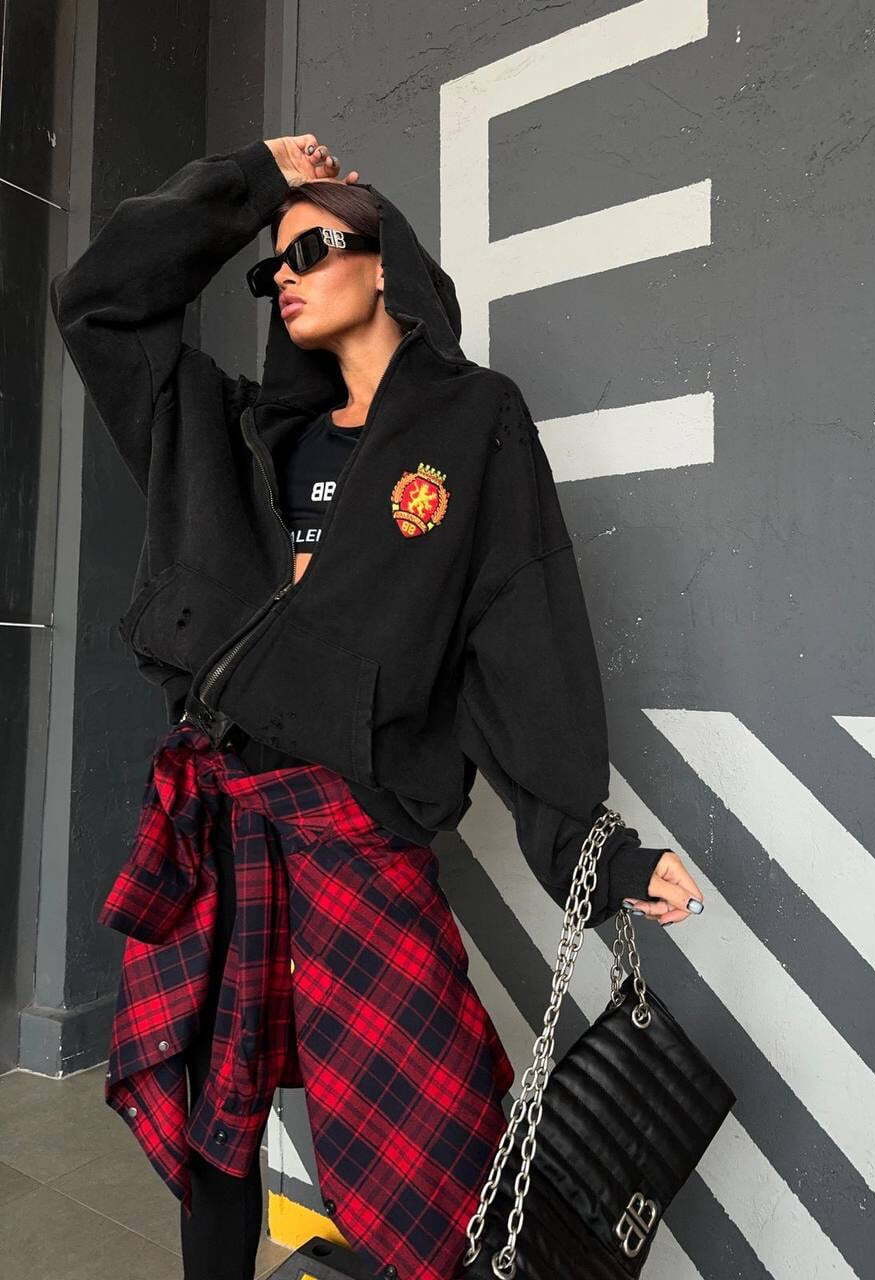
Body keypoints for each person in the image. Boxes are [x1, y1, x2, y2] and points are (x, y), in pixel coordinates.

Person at [50, 134, 704, 1280]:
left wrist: (588, 848)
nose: (284, 275)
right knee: (216, 1112)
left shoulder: (472, 421)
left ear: (384, 259)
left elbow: (521, 633)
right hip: (225, 815)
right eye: (272, 264)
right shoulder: (229, 431)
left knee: (438, 1134)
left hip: (357, 828)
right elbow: (99, 301)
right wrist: (253, 179)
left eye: (312, 248)